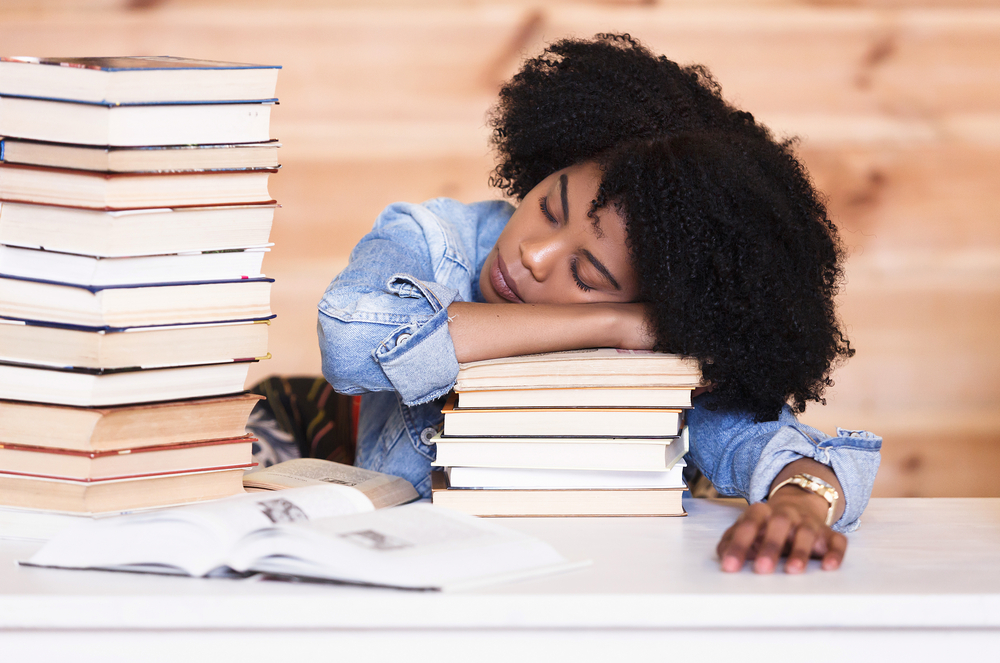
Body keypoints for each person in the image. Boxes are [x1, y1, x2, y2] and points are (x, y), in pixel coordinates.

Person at [261, 33, 881, 574]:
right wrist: (604, 319)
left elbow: (764, 445)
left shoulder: (664, 332)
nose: (534, 254)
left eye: (585, 272)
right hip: (356, 493)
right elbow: (349, 339)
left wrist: (801, 502)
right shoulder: (431, 240)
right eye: (550, 205)